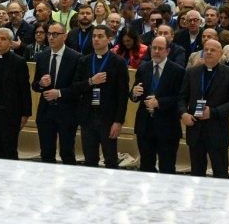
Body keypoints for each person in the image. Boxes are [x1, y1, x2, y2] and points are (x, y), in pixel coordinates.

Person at [180, 38, 229, 178]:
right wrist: (183, 113)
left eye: (212, 50)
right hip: (195, 129)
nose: (208, 52)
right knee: (196, 173)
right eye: (206, 50)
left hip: (218, 130)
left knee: (220, 173)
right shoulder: (192, 72)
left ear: (220, 54)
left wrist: (213, 112)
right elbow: (181, 98)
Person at [74, 25, 129, 169]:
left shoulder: (118, 62)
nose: (96, 39)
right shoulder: (84, 61)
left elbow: (122, 95)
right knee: (89, 159)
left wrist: (118, 121)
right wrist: (91, 81)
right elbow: (75, 87)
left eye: (100, 36)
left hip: (108, 118)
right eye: (94, 36)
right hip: (88, 117)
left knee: (110, 160)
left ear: (109, 39)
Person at [131, 34, 186, 173]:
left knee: (167, 168)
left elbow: (181, 98)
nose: (156, 51)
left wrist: (159, 103)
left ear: (167, 51)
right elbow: (134, 94)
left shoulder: (177, 71)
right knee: (146, 167)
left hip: (167, 127)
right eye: (154, 48)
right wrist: (134, 93)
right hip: (145, 125)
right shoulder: (143, 68)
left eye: (160, 48)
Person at [33, 21, 81, 164]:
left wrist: (59, 93)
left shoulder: (76, 57)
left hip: (67, 111)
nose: (50, 37)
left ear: (64, 36)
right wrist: (41, 84)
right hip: (45, 111)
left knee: (67, 153)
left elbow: (78, 88)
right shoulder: (42, 56)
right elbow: (35, 85)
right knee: (46, 153)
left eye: (55, 34)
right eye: (49, 34)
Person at [0, 27, 31, 160]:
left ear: (10, 43)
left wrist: (25, 114)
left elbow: (24, 89)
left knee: (9, 151)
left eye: (3, 39)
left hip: (10, 114)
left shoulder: (18, 62)